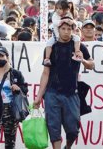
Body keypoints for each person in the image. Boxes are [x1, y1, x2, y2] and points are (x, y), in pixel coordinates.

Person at [34, 17, 95, 149]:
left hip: (72, 93)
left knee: (73, 129)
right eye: (63, 29)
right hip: (52, 93)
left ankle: (67, 147)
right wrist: (39, 96)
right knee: (53, 127)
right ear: (58, 30)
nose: (66, 32)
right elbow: (45, 73)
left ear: (73, 30)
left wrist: (83, 60)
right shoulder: (51, 48)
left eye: (69, 29)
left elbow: (92, 65)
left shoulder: (79, 46)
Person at [44, 0, 81, 66]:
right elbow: (55, 22)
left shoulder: (69, 14)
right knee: (49, 43)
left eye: (60, 8)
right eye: (57, 8)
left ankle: (77, 53)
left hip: (68, 36)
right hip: (56, 35)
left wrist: (72, 22)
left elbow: (74, 24)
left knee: (77, 38)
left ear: (66, 9)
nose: (58, 10)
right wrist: (64, 20)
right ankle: (47, 59)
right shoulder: (55, 15)